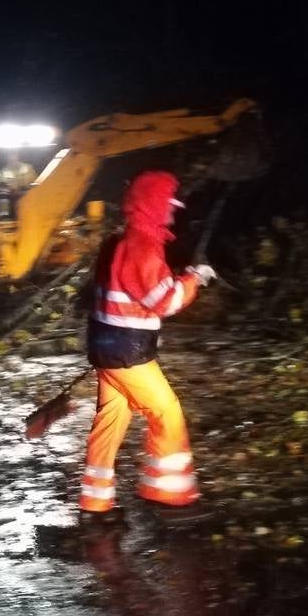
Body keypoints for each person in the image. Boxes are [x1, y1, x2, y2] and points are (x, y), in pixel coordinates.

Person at [78, 170, 216, 522]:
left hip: (108, 349)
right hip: (128, 352)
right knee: (166, 412)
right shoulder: (143, 244)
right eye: (169, 205)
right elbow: (164, 301)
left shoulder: (123, 241)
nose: (173, 212)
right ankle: (167, 496)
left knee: (111, 420)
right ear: (153, 205)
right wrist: (195, 279)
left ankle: (96, 505)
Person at [0, 151, 36, 217]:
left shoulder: (28, 167)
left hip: (27, 192)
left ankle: (30, 214)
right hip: (12, 193)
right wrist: (0, 187)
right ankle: (4, 215)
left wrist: (27, 191)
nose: (12, 158)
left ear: (18, 157)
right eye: (10, 156)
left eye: (14, 155)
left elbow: (34, 182)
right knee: (2, 193)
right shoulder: (4, 170)